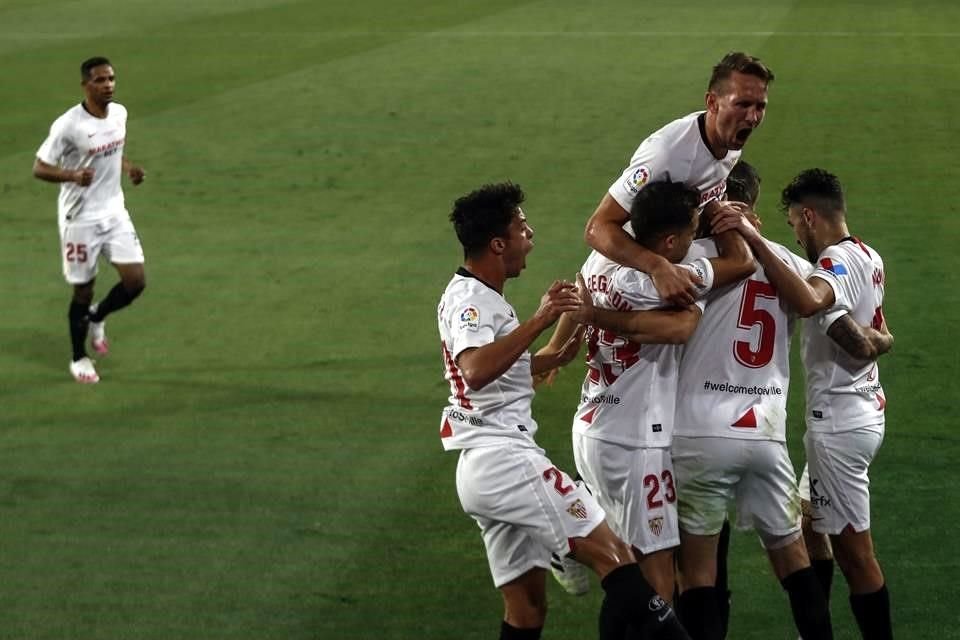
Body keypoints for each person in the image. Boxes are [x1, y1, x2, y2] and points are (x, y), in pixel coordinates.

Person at [437, 182, 690, 639]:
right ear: (498, 243)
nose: (530, 235)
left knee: (527, 610)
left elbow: (484, 373)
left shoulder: (477, 295)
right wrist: (541, 319)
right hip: (504, 459)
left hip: (484, 466)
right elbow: (473, 369)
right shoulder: (472, 301)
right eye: (521, 227)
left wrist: (549, 359)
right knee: (613, 554)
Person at [714, 169, 894, 639]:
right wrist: (883, 340)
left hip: (838, 426)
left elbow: (821, 308)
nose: (794, 231)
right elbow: (877, 331)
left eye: (794, 222)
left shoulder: (834, 263)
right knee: (811, 522)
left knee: (856, 555)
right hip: (863, 411)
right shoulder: (868, 254)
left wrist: (751, 236)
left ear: (809, 216)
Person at [564, 180, 753, 606]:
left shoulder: (601, 256)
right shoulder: (668, 280)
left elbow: (577, 293)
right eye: (690, 231)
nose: (693, 237)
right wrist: (724, 220)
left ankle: (571, 534)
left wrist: (561, 347)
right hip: (635, 441)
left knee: (624, 567)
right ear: (669, 240)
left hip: (592, 425)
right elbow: (735, 268)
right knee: (656, 579)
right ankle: (566, 536)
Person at [673, 161, 835, 640]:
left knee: (698, 573)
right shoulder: (785, 260)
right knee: (794, 562)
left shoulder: (690, 261)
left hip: (698, 432)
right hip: (764, 432)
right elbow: (816, 300)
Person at [584, 52, 773, 306]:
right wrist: (656, 266)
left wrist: (730, 214)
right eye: (742, 104)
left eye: (760, 106)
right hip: (625, 275)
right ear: (712, 102)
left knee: (744, 263)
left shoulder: (730, 138)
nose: (753, 117)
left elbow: (702, 199)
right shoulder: (666, 155)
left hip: (672, 256)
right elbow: (597, 228)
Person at [33, 56, 147, 384]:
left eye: (111, 78)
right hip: (79, 220)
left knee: (136, 282)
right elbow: (39, 167)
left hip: (114, 212)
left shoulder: (120, 113)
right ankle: (78, 356)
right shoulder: (68, 125)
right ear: (86, 85)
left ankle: (98, 316)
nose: (108, 85)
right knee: (82, 291)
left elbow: (110, 149)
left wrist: (129, 169)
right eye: (100, 80)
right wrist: (71, 174)